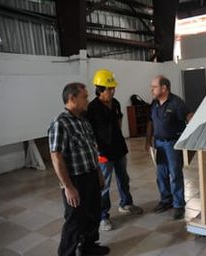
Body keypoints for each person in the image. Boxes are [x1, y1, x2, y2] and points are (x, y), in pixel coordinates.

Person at [48, 82, 109, 256]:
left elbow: (92, 149)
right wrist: (68, 187)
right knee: (75, 221)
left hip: (91, 175)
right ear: (72, 98)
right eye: (84, 97)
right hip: (75, 180)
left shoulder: (83, 121)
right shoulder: (60, 123)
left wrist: (98, 173)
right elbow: (56, 157)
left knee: (93, 214)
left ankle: (88, 248)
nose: (87, 100)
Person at [87, 69, 143, 231]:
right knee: (104, 184)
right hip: (103, 153)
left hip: (119, 148)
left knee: (123, 178)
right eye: (109, 89)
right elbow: (89, 132)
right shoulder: (92, 108)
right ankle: (103, 216)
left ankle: (126, 204)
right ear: (100, 89)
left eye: (113, 88)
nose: (112, 91)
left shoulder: (116, 103)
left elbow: (118, 123)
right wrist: (96, 150)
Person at [145, 75, 193, 220]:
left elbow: (188, 116)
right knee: (161, 175)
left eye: (154, 87)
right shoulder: (154, 104)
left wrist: (193, 119)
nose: (151, 90)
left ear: (164, 88)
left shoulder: (177, 103)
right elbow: (150, 122)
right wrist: (148, 140)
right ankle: (166, 200)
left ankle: (178, 205)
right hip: (158, 144)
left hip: (173, 143)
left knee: (175, 174)